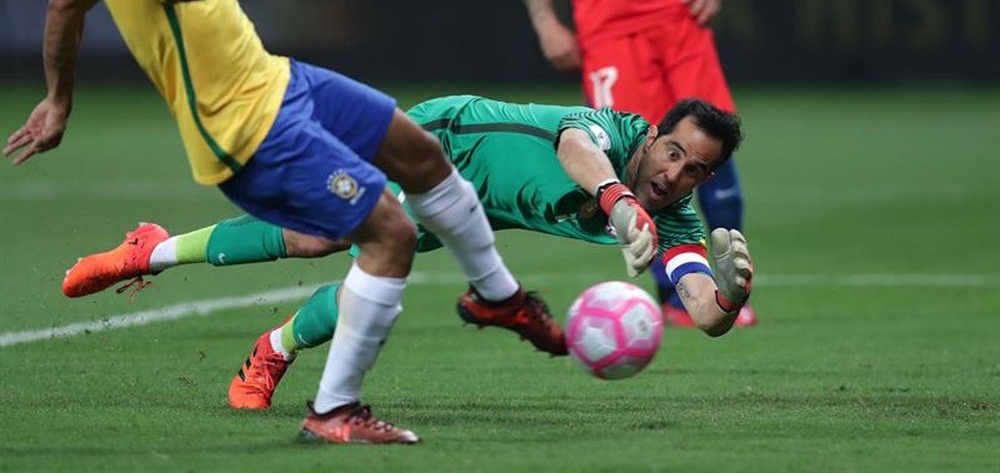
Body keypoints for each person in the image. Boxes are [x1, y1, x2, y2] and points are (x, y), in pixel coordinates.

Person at [2, 0, 571, 446]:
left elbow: (64, 3)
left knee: (423, 156)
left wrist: (59, 100)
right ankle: (334, 411)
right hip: (244, 129)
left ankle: (499, 299)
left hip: (281, 81)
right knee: (391, 233)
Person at [61, 96, 754, 410]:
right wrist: (617, 200)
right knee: (323, 235)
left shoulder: (678, 218)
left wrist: (728, 297)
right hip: (439, 141)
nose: (674, 175)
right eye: (672, 153)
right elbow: (575, 148)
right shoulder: (612, 134)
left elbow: (701, 305)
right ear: (654, 135)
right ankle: (152, 250)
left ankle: (273, 347)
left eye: (695, 170)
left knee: (376, 274)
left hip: (477, 208)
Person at [501, 0, 754, 326]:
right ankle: (677, 298)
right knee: (638, 165)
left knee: (713, 150)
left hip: (679, 19)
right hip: (609, 33)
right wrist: (545, 21)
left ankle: (731, 286)